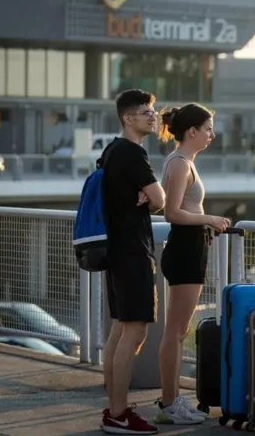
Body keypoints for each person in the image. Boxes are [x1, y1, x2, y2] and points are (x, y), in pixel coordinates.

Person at [152, 103, 231, 425]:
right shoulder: (180, 163)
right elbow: (170, 213)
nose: (212, 134)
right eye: (208, 128)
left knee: (180, 329)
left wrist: (204, 223)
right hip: (185, 248)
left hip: (191, 246)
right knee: (174, 331)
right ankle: (168, 403)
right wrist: (209, 218)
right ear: (192, 132)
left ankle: (172, 400)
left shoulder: (184, 162)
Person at [100, 89, 166, 435]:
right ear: (128, 118)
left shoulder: (111, 150)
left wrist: (150, 197)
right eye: (146, 113)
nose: (153, 117)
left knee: (120, 329)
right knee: (136, 330)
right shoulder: (132, 153)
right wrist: (152, 196)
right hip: (133, 252)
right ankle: (118, 413)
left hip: (115, 251)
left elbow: (150, 198)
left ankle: (115, 408)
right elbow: (160, 199)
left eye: (153, 112)